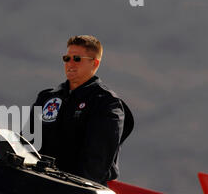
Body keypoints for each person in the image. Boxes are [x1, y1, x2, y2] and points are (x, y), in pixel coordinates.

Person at [29, 35, 133, 185]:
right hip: (36, 189)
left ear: (94, 63)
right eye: (67, 58)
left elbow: (96, 165)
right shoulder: (47, 98)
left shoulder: (106, 104)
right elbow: (27, 144)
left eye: (77, 59)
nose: (70, 64)